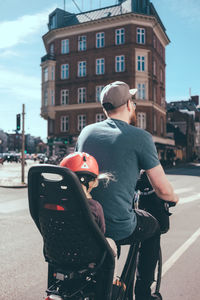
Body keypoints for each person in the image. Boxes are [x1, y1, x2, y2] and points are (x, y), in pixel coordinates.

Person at [75, 81, 179, 300]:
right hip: (118, 226)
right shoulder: (140, 137)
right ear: (129, 105)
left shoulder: (85, 133)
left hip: (87, 222)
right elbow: (162, 188)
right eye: (132, 100)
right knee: (153, 226)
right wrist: (174, 197)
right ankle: (143, 294)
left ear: (105, 108)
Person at [59, 152, 121, 298]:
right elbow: (101, 232)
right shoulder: (94, 207)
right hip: (87, 257)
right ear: (92, 182)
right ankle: (110, 285)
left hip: (58, 253)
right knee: (110, 244)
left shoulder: (58, 204)